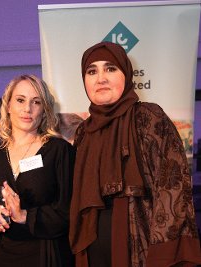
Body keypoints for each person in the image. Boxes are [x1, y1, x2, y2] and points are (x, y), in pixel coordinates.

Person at [69, 41, 201, 267]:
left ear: (126, 75)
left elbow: (174, 187)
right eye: (92, 71)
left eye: (110, 68)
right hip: (93, 248)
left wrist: (162, 255)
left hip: (141, 245)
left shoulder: (148, 117)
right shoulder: (83, 132)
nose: (100, 78)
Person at [0, 74, 75, 266]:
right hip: (5, 256)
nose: (27, 109)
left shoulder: (59, 150)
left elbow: (68, 212)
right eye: (20, 100)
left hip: (48, 256)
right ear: (8, 106)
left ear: (44, 110)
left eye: (36, 102)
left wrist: (24, 216)